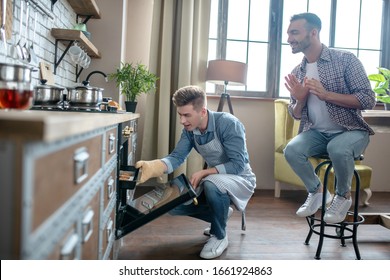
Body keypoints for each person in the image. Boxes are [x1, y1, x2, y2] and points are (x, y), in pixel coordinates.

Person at [135, 85, 256, 259]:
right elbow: (177, 157)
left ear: (203, 112)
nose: (182, 121)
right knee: (169, 203)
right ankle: (220, 216)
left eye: (186, 115)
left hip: (241, 178)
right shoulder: (190, 131)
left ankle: (220, 236)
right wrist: (154, 166)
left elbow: (238, 165)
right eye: (180, 115)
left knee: (211, 182)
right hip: (216, 179)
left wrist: (205, 173)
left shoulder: (229, 124)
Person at [283, 12, 376, 223]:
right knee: (292, 150)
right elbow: (296, 115)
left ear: (313, 32)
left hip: (351, 131)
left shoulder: (345, 60)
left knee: (338, 147)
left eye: (294, 32)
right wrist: (300, 100)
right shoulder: (297, 72)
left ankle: (343, 196)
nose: (289, 38)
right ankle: (317, 192)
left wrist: (327, 95)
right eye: (288, 33)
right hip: (317, 133)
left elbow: (367, 99)